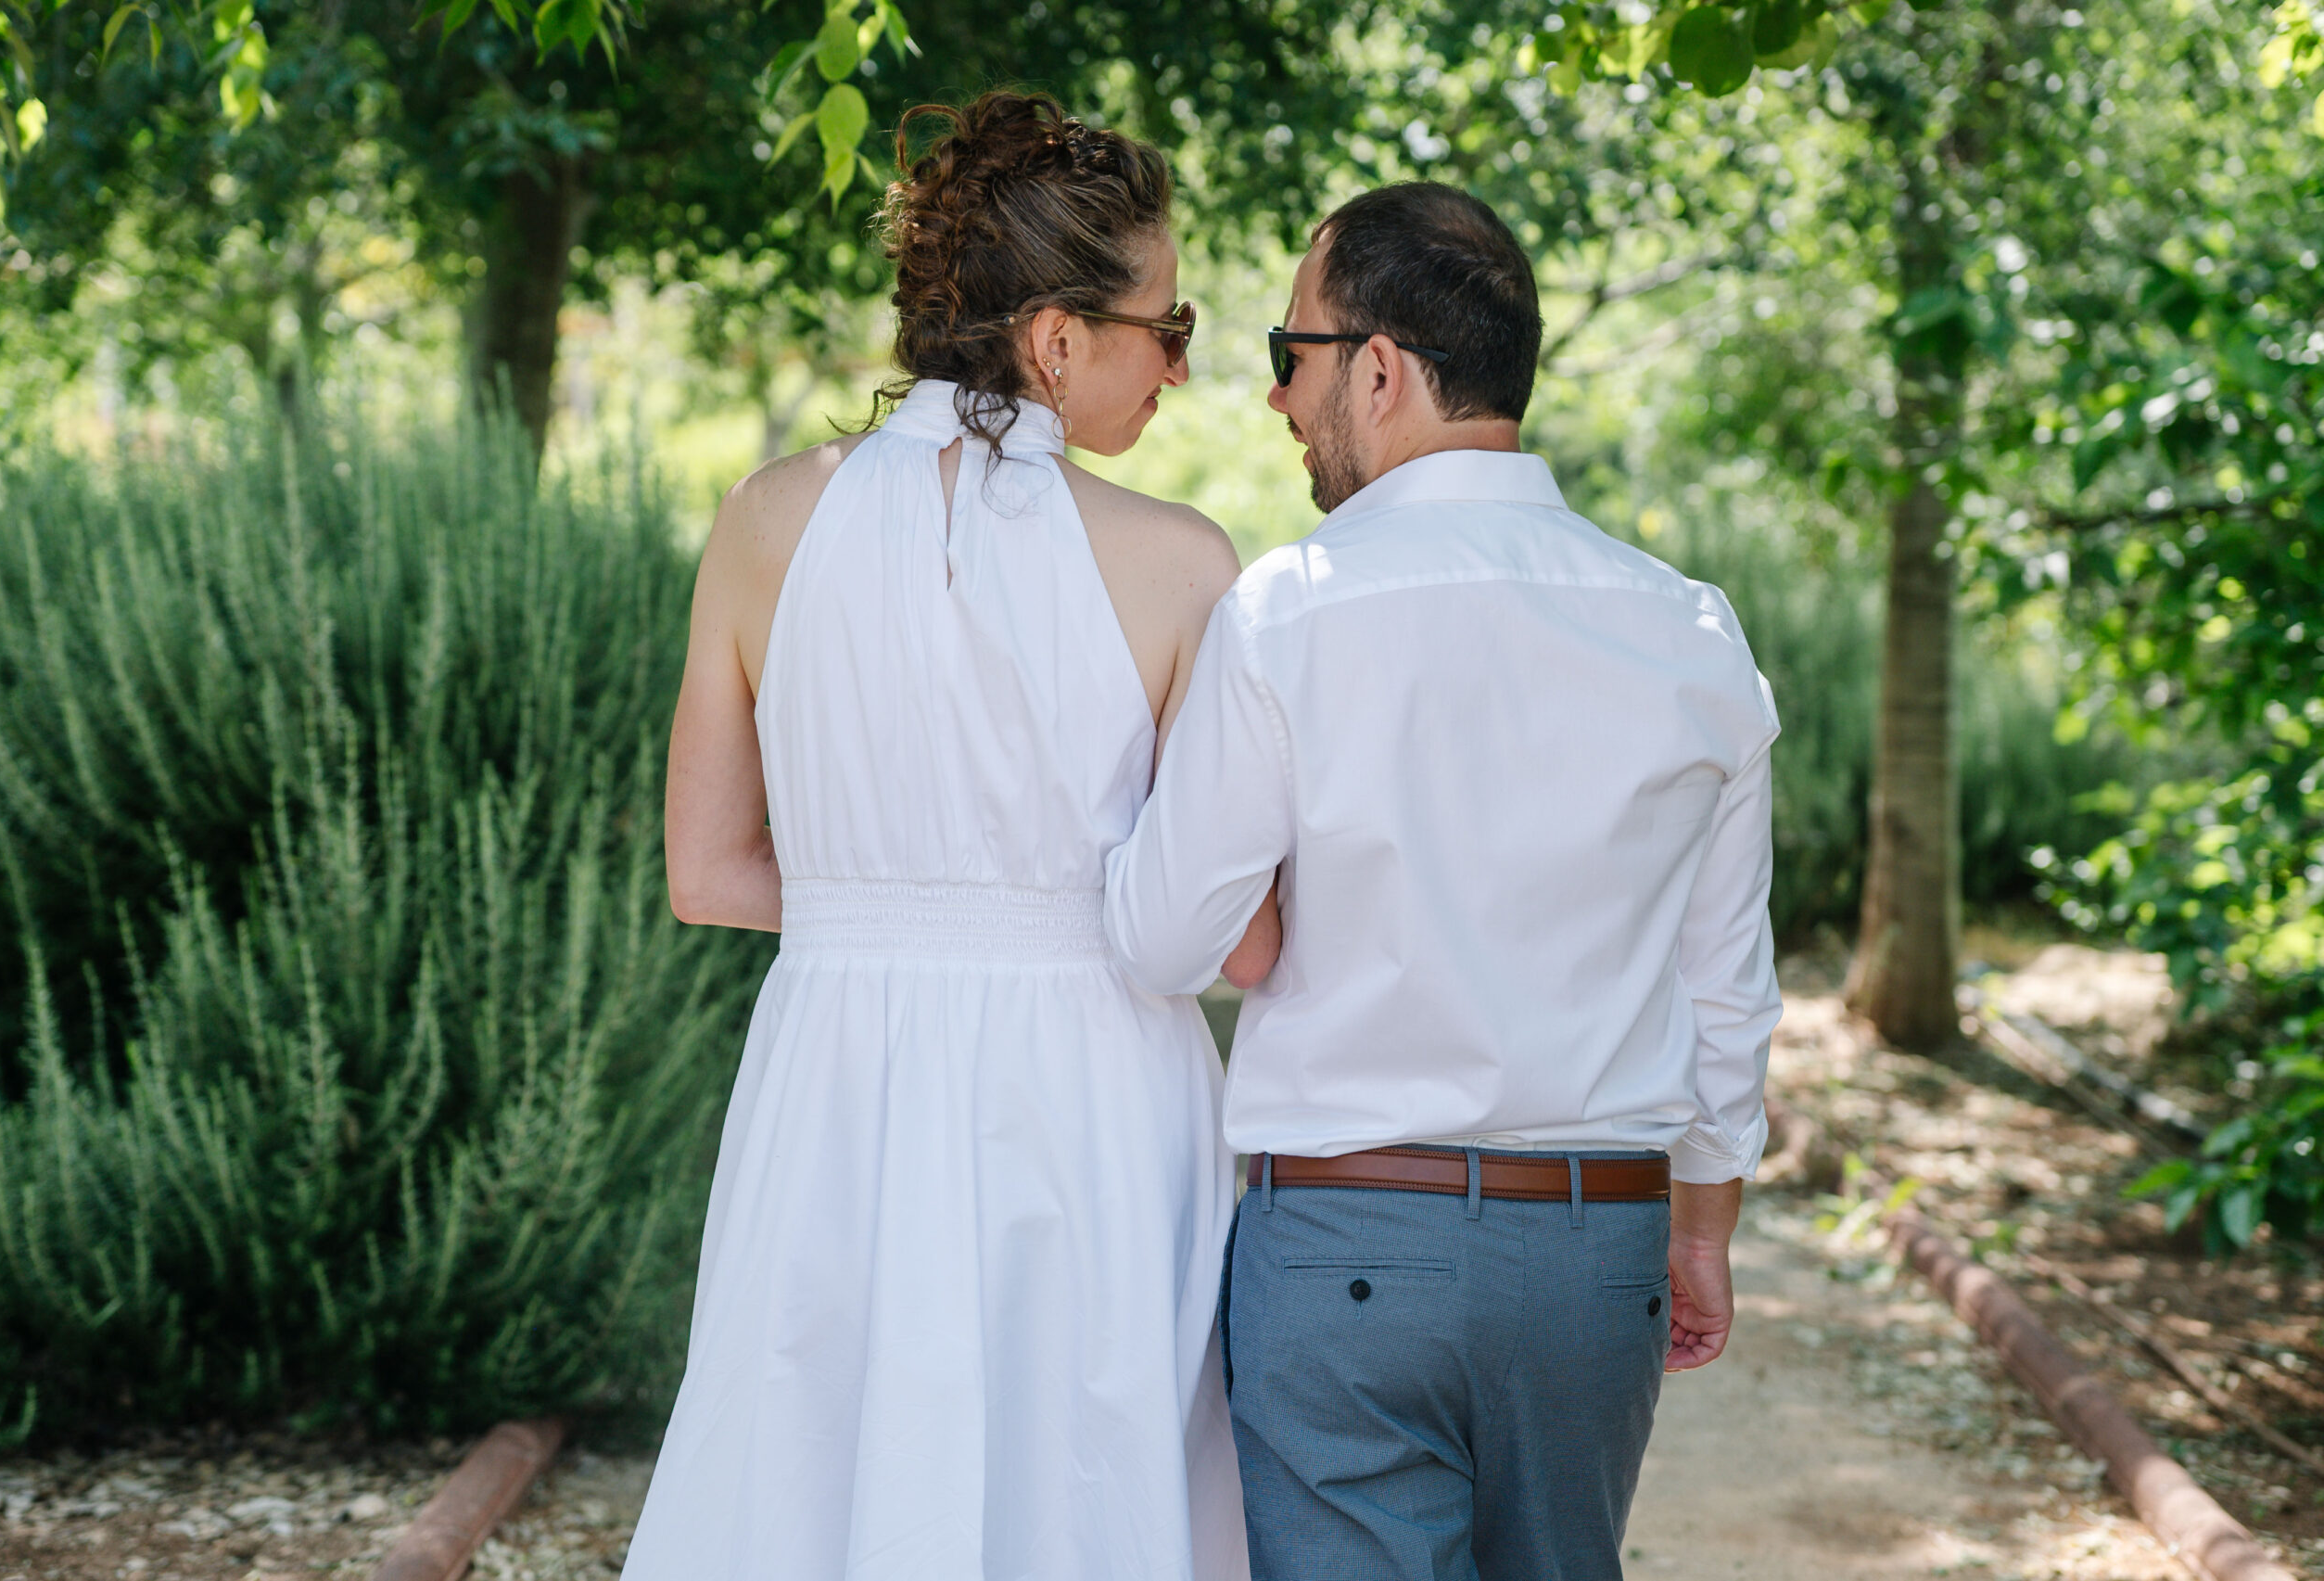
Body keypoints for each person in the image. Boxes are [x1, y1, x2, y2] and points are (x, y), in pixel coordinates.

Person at [627, 90, 1269, 1579]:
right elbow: (1231, 925)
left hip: (835, 1072)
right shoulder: (1183, 564)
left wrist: (883, 912)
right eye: (1169, 327)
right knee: (1085, 1474)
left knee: (817, 1458)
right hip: (1097, 1085)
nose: (1183, 365)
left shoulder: (764, 520)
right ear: (1057, 342)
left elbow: (707, 872)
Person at [1102, 181, 1783, 1581]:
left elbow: (1162, 940)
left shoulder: (1286, 612)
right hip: (1594, 1246)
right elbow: (1728, 985)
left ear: (1379, 370)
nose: (1277, 398)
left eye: (1288, 353)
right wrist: (1702, 1228)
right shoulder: (1692, 633)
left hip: (1344, 1239)